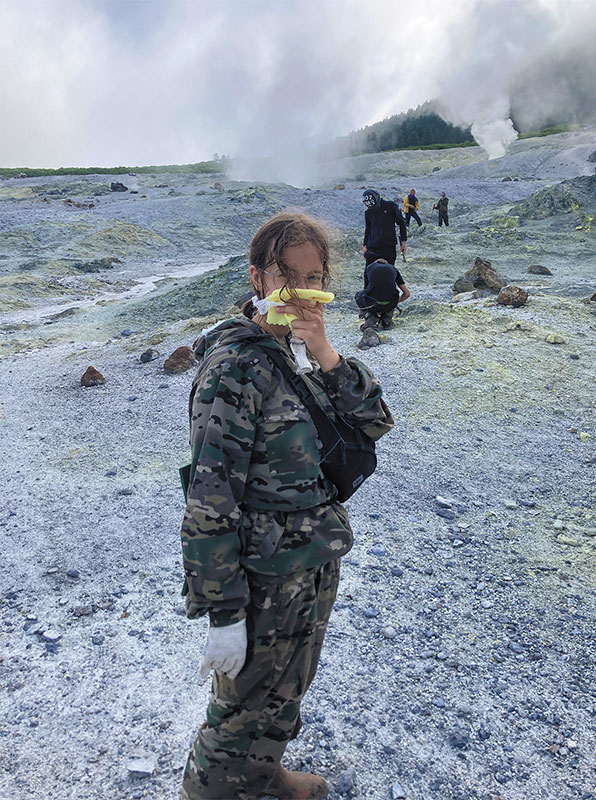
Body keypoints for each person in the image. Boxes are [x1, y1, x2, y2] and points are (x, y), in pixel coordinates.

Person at [180, 212, 394, 800]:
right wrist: (221, 612)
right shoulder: (233, 370)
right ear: (258, 279)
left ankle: (266, 775)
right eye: (287, 276)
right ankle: (216, 788)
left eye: (315, 275)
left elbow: (374, 422)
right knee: (238, 718)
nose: (302, 290)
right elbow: (208, 498)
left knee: (285, 692)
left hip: (313, 559)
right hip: (266, 577)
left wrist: (323, 347)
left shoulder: (301, 353)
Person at [355, 258, 411, 330]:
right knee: (392, 296)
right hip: (390, 303)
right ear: (387, 264)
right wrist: (395, 302)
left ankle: (371, 318)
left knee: (358, 295)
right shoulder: (394, 269)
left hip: (372, 303)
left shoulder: (369, 268)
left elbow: (366, 290)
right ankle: (387, 320)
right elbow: (407, 294)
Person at [362, 188, 407, 267]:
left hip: (388, 247)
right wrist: (365, 246)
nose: (373, 210)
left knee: (388, 274)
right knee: (368, 274)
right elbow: (368, 229)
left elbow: (401, 222)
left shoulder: (391, 206)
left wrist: (403, 241)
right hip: (372, 247)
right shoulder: (368, 213)